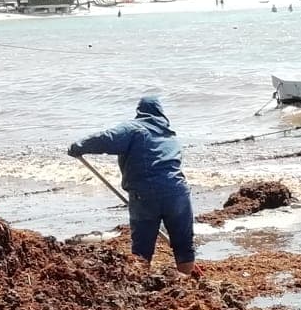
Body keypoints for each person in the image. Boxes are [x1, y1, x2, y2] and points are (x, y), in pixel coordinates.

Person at [68, 96, 201, 278]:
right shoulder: (170, 136)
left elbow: (107, 139)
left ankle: (142, 280)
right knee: (184, 243)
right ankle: (187, 280)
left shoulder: (134, 129)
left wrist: (78, 146)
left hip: (145, 195)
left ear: (140, 112)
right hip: (178, 192)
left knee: (142, 248)